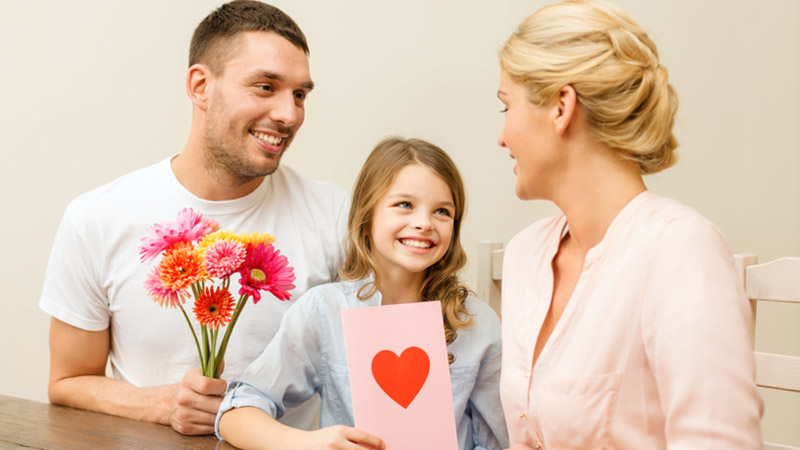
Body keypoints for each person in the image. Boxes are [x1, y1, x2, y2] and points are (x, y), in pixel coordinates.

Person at [38, 0, 348, 436]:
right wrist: (161, 404)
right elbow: (67, 382)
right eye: (265, 87)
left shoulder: (337, 216)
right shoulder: (96, 218)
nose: (290, 114)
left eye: (300, 94)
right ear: (201, 86)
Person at [494, 0, 763, 448]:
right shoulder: (526, 254)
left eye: (506, 107)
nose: (501, 136)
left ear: (562, 106)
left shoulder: (679, 250)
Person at [215, 137, 509, 450]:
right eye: (404, 205)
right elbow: (235, 412)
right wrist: (309, 443)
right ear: (367, 217)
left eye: (442, 211)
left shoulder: (477, 322)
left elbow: (501, 437)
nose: (424, 223)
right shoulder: (324, 310)